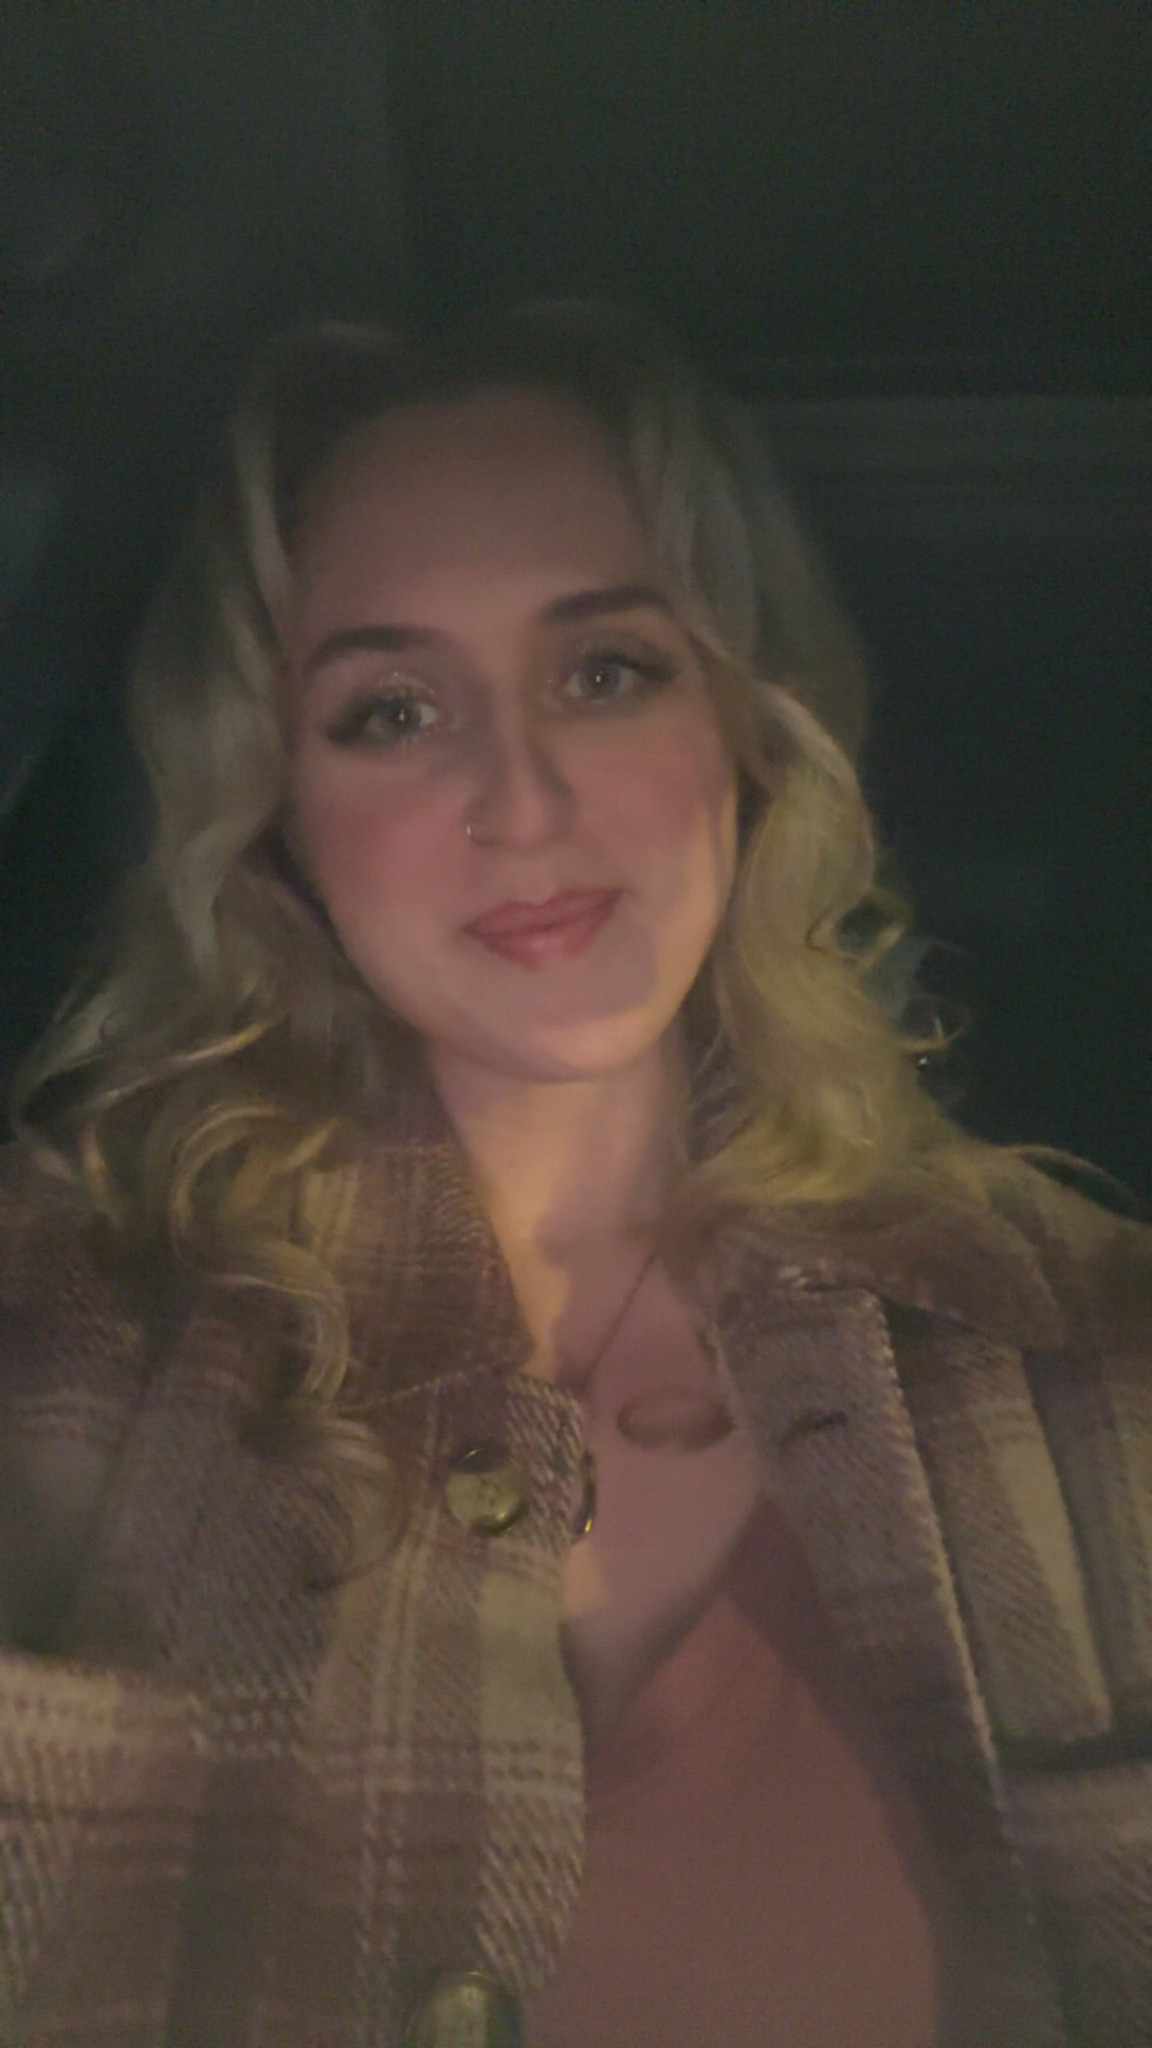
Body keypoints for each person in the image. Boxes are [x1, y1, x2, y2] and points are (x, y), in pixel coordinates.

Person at [1, 299, 1150, 2048]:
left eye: (606, 672)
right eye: (392, 710)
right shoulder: (63, 1329)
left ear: (745, 723)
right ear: (275, 807)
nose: (525, 803)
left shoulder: (1088, 1343)